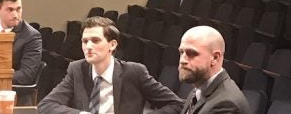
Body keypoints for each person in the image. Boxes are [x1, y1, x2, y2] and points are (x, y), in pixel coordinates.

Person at [38, 16, 184, 114]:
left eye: (95, 40)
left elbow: (176, 104)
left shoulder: (134, 72)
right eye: (85, 41)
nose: (88, 46)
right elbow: (47, 105)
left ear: (112, 45)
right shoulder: (77, 69)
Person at [0, 0, 42, 105]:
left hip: (16, 95)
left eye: (18, 9)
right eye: (10, 10)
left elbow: (26, 75)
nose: (15, 14)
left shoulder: (31, 36)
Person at [178, 26, 250, 114]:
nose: (182, 60)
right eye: (182, 52)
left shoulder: (226, 104)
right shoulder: (199, 89)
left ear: (215, 58)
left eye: (192, 53)